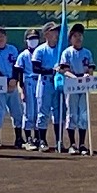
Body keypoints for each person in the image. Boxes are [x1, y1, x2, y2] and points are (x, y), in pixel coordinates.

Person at [57, 23, 96, 155]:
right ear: (70, 38)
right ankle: (72, 144)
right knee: (72, 114)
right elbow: (64, 70)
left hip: (83, 85)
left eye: (80, 35)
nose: (78, 38)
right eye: (75, 36)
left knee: (83, 114)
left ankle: (82, 144)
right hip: (72, 84)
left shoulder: (87, 53)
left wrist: (87, 76)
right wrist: (75, 78)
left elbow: (90, 69)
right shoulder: (67, 53)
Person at [31, 22, 62, 152]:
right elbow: (35, 68)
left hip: (58, 83)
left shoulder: (61, 49)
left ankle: (59, 141)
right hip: (45, 82)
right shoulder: (40, 50)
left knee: (58, 112)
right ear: (46, 34)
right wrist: (51, 71)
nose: (57, 34)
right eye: (53, 31)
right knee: (43, 112)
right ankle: (42, 140)